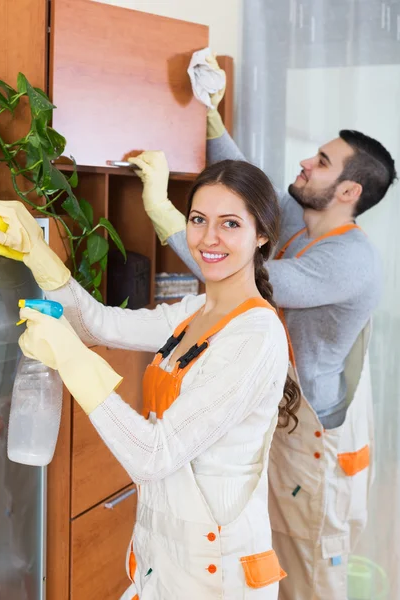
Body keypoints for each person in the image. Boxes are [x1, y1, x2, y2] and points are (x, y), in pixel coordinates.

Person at [0, 158, 300, 599]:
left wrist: (72, 362)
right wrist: (38, 254)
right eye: (198, 220)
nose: (209, 238)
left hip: (217, 576)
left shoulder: (255, 337)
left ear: (262, 235)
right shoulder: (195, 312)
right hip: (162, 557)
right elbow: (96, 325)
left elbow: (153, 456)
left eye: (230, 223)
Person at [129, 57, 397, 599]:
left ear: (348, 192)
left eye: (321, 161)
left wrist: (160, 209)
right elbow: (248, 187)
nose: (304, 162)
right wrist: (211, 114)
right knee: (269, 556)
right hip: (282, 413)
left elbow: (241, 270)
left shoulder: (349, 261)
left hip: (313, 437)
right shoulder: (303, 218)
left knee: (308, 568)